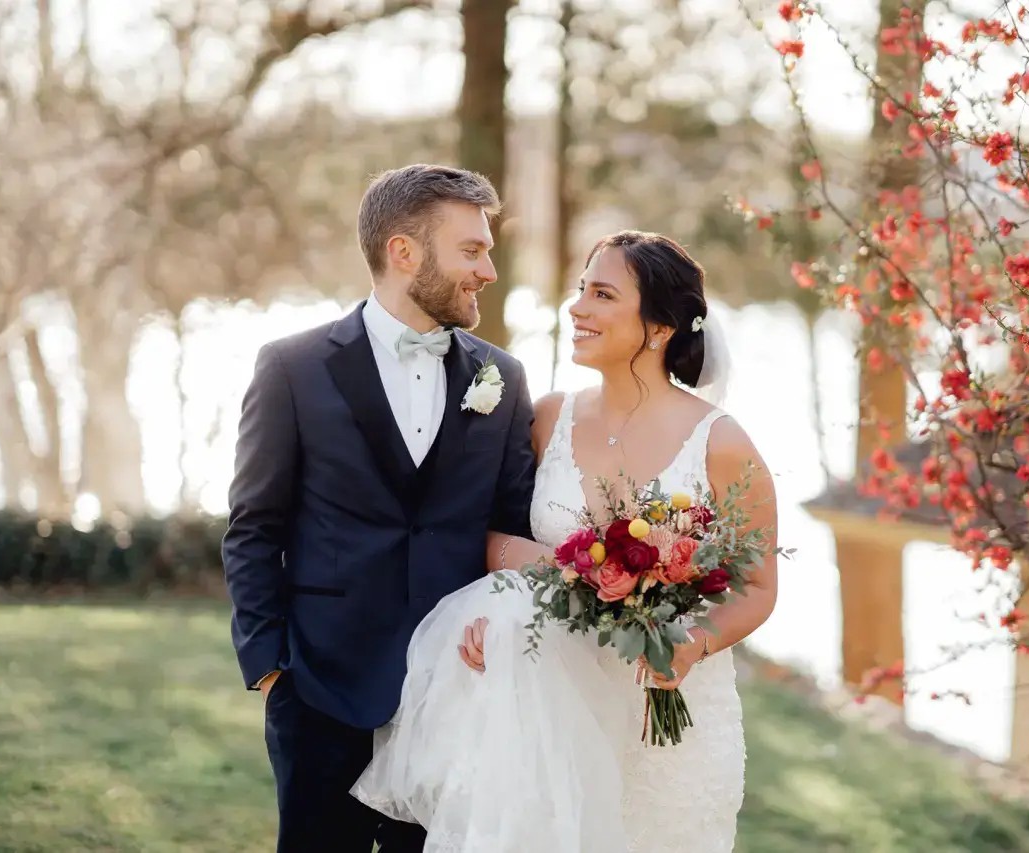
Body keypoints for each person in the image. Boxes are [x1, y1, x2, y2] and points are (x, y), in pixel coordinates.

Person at [351, 230, 779, 853]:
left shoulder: (722, 444)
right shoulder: (548, 417)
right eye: (580, 289)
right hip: (547, 709)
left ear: (660, 327)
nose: (577, 308)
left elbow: (759, 586)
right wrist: (500, 608)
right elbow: (495, 535)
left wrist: (686, 647)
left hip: (663, 721)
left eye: (602, 294)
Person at [222, 164, 536, 852]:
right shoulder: (293, 368)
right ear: (404, 251)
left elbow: (512, 529)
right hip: (320, 690)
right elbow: (253, 526)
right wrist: (273, 668)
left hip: (454, 694)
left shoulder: (502, 380)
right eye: (472, 249)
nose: (487, 268)